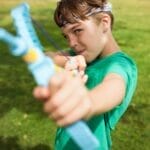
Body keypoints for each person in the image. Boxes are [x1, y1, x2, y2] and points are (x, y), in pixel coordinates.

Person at [33, 0, 138, 149]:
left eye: (77, 30)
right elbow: (47, 57)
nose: (72, 43)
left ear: (104, 23)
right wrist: (66, 61)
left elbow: (115, 85)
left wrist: (87, 103)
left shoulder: (120, 63)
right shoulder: (80, 54)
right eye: (66, 36)